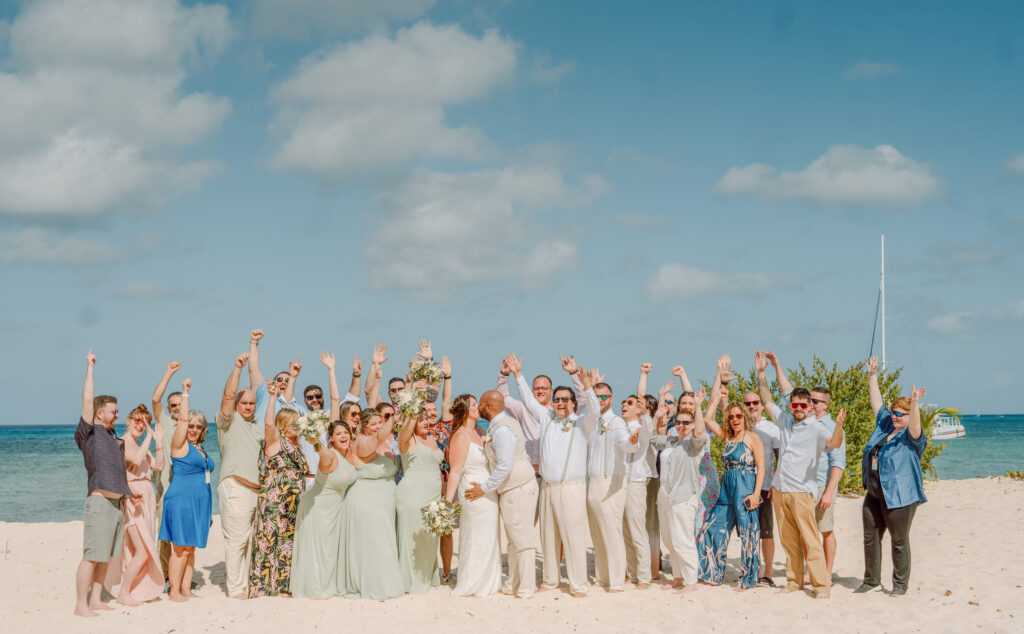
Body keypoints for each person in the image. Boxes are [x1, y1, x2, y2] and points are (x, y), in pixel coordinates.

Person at [756, 350, 846, 599]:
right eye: (794, 404)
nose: (797, 408)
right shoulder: (783, 420)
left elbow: (835, 444)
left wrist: (838, 427)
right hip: (780, 489)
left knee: (810, 539)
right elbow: (766, 400)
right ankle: (794, 582)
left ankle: (821, 586)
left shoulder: (817, 427)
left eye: (802, 405)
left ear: (809, 407)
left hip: (802, 492)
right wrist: (762, 373)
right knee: (789, 540)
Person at [508, 353, 599, 598]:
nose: (560, 403)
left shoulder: (583, 423)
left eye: (564, 400)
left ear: (572, 403)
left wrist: (580, 381)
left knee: (574, 537)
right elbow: (528, 399)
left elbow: (595, 410)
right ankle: (550, 580)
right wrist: (518, 374)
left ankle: (578, 584)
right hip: (547, 487)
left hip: (572, 488)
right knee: (548, 537)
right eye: (557, 399)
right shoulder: (546, 419)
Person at [856, 357, 928, 597]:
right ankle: (871, 580)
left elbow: (916, 426)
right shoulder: (885, 425)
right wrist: (872, 376)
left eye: (900, 413)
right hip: (875, 492)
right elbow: (876, 402)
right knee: (870, 538)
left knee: (898, 541)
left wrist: (915, 404)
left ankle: (899, 585)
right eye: (895, 412)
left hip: (900, 496)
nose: (895, 416)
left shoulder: (911, 437)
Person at [464, 390, 540, 598]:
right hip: (513, 489)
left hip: (518, 488)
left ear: (489, 407)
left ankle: (526, 587)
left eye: (480, 403)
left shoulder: (502, 430)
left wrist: (484, 487)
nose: (478, 407)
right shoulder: (503, 424)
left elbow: (505, 466)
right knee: (514, 538)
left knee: (522, 538)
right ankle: (513, 584)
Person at [74, 349, 132, 618]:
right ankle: (81, 605)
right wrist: (90, 367)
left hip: (117, 503)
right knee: (91, 555)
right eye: (113, 411)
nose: (117, 415)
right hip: (98, 501)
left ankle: (96, 599)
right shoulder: (90, 434)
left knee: (105, 556)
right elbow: (87, 399)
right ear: (99, 414)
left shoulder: (113, 438)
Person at [696, 382, 765, 591]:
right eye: (732, 417)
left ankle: (748, 579)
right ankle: (712, 573)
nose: (735, 420)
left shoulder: (753, 437)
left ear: (744, 417)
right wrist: (717, 396)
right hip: (727, 487)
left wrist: (756, 494)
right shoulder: (727, 437)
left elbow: (761, 468)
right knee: (713, 527)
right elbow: (708, 419)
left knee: (748, 533)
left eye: (738, 416)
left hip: (746, 487)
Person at [249, 379, 308, 597]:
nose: (297, 426)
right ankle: (266, 588)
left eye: (298, 422)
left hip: (294, 502)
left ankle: (285, 585)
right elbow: (267, 425)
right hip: (275, 502)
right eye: (293, 422)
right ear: (283, 424)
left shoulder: (297, 444)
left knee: (288, 543)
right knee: (271, 541)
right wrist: (273, 397)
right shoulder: (276, 440)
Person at [159, 380, 214, 602]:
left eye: (197, 426)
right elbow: (181, 418)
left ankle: (185, 589)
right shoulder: (179, 445)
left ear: (203, 429)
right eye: (190, 425)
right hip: (181, 500)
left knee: (191, 549)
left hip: (199, 503)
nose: (193, 429)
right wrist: (185, 393)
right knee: (180, 549)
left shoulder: (200, 449)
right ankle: (173, 591)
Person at [215, 349, 263, 599]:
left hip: (257, 490)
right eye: (244, 403)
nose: (248, 407)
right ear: (236, 405)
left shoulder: (258, 426)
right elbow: (227, 395)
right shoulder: (229, 421)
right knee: (236, 541)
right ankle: (235, 590)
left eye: (252, 403)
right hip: (235, 486)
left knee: (252, 542)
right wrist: (238, 368)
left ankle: (247, 584)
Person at [650, 382, 707, 593]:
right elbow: (651, 438)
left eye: (686, 422)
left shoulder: (694, 443)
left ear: (691, 425)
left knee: (683, 539)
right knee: (669, 538)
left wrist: (699, 407)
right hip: (665, 494)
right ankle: (677, 577)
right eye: (680, 422)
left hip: (684, 496)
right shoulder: (672, 440)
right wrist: (658, 412)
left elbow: (700, 431)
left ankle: (691, 581)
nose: (682, 425)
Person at [104, 404, 164, 605]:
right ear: (128, 421)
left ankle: (134, 590)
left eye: (145, 422)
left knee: (141, 548)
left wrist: (159, 443)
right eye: (138, 421)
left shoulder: (142, 447)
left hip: (145, 500)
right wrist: (149, 434)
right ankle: (123, 593)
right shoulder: (119, 443)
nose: (141, 425)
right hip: (132, 501)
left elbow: (159, 465)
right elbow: (136, 461)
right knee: (141, 550)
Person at [291, 420, 358, 598]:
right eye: (338, 434)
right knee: (319, 549)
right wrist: (316, 443)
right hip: (318, 507)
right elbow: (324, 455)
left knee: (329, 548)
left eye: (346, 432)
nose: (343, 436)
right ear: (331, 439)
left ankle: (328, 584)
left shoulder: (347, 456)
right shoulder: (331, 455)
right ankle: (316, 588)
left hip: (333, 508)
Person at [586, 376, 639, 593]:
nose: (600, 399)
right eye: (596, 396)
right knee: (597, 533)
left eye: (604, 396)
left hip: (612, 482)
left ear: (611, 398)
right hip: (593, 483)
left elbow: (626, 444)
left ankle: (617, 581)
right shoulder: (592, 422)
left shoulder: (616, 422)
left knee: (612, 532)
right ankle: (603, 577)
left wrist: (632, 443)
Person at [342, 409, 403, 599]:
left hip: (384, 501)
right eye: (374, 424)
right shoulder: (362, 442)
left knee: (384, 541)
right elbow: (377, 439)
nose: (379, 427)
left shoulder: (386, 443)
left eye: (380, 422)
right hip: (367, 499)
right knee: (375, 544)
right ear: (364, 426)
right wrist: (391, 421)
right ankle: (377, 586)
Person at [447, 394, 502, 597]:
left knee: (489, 533)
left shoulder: (480, 431)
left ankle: (489, 579)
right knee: (475, 533)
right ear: (465, 410)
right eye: (473, 404)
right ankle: (472, 581)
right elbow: (455, 470)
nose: (478, 406)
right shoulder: (460, 436)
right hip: (472, 490)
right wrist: (448, 502)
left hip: (488, 489)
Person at [396, 398, 444, 594]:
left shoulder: (431, 439)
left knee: (430, 536)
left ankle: (426, 575)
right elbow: (406, 428)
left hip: (433, 495)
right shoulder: (407, 440)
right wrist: (415, 400)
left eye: (426, 419)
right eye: (420, 419)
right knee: (413, 536)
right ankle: (410, 580)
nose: (424, 422)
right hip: (413, 495)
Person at [740, 386, 781, 587]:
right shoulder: (738, 426)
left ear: (762, 406)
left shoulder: (772, 429)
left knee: (766, 531)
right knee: (747, 531)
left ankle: (768, 573)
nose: (752, 406)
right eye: (748, 403)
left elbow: (780, 458)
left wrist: (775, 484)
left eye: (755, 403)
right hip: (743, 486)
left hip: (764, 486)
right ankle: (749, 569)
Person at [810, 384, 846, 580]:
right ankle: (811, 570)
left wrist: (829, 492)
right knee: (807, 532)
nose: (811, 404)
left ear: (825, 404)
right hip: (805, 486)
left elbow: (838, 463)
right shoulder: (806, 424)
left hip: (823, 485)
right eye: (810, 400)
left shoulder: (833, 428)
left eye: (815, 401)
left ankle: (827, 572)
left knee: (826, 530)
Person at [150, 361, 182, 580]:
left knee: (181, 534)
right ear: (169, 409)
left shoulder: (192, 425)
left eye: (180, 404)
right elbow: (155, 399)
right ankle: (165, 575)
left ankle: (179, 574)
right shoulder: (165, 420)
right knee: (164, 535)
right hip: (165, 485)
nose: (177, 408)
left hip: (185, 488)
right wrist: (169, 373)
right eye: (173, 405)